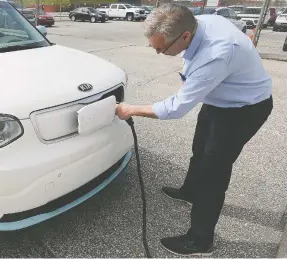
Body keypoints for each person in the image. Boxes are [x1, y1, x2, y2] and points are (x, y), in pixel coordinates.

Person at [115, 3, 273, 256]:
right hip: (219, 99)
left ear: (185, 36)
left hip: (244, 109)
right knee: (199, 149)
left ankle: (200, 240)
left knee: (214, 172)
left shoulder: (216, 54)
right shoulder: (199, 22)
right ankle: (190, 191)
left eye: (161, 48)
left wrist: (130, 109)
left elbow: (176, 108)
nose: (156, 52)